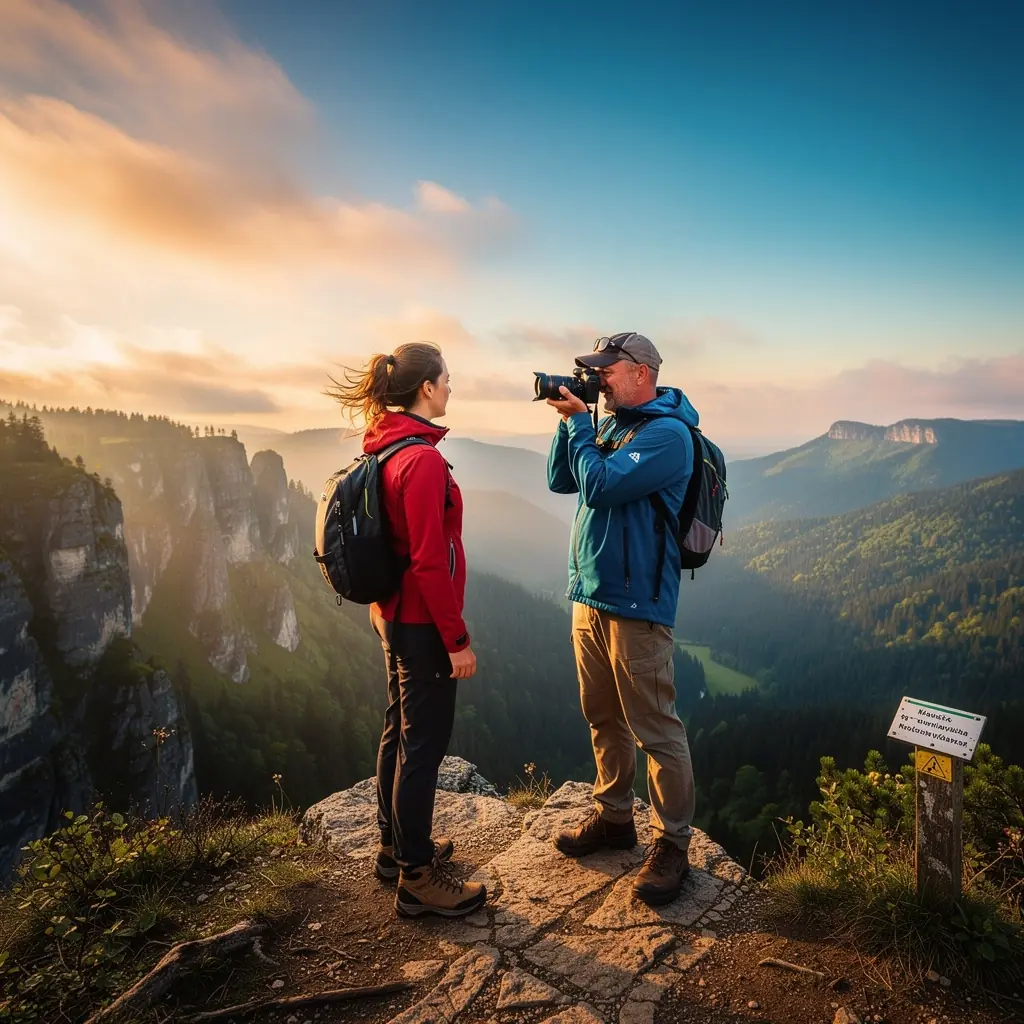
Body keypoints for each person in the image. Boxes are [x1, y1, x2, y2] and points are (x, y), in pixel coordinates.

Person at [326, 342, 486, 919]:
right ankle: (418, 878)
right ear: (425, 389)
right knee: (424, 745)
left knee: (399, 728)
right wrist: (457, 640)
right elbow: (426, 559)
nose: (449, 390)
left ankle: (394, 848)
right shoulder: (420, 461)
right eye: (446, 381)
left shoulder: (387, 448)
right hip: (421, 622)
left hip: (392, 615)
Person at [545, 332, 699, 906]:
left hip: (638, 606)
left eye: (606, 369)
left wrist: (583, 424)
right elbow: (562, 480)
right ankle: (614, 819)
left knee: (656, 728)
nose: (598, 377)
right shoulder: (610, 423)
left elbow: (603, 487)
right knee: (602, 717)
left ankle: (672, 845)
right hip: (590, 595)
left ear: (641, 372)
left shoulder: (667, 435)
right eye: (594, 369)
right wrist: (570, 423)